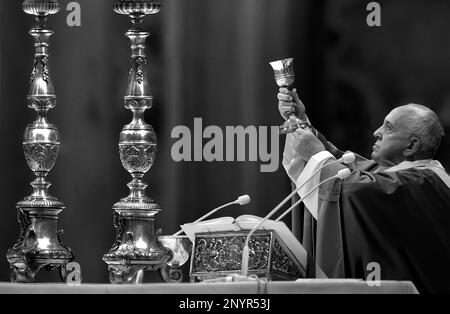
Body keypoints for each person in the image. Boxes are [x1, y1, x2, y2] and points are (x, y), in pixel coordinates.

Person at [278, 87, 450, 294]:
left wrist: (316, 153)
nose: (377, 132)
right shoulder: (395, 174)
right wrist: (300, 123)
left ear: (411, 146)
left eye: (388, 128)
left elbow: (352, 189)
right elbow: (349, 168)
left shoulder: (422, 184)